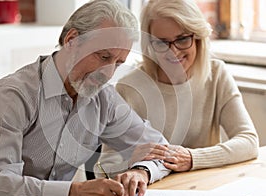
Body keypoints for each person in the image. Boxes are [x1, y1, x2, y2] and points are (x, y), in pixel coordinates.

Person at [0, 0, 171, 196]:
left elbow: (162, 151)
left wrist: (141, 172)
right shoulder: (12, 96)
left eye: (118, 63)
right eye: (103, 57)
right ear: (71, 40)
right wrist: (74, 192)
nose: (108, 74)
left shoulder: (102, 99)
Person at [97, 0, 259, 177]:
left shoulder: (217, 74)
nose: (172, 52)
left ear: (197, 37)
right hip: (151, 191)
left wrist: (191, 158)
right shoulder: (129, 88)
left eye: (182, 39)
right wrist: (131, 165)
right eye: (161, 43)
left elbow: (249, 141)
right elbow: (107, 165)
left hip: (204, 186)